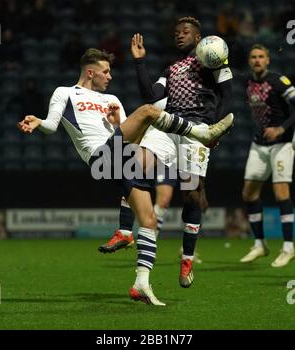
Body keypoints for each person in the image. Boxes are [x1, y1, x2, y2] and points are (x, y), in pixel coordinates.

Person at [18, 48, 233, 306]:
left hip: (120, 158)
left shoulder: (113, 99)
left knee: (149, 220)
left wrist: (118, 121)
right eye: (105, 71)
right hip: (102, 158)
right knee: (147, 111)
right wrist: (38, 122)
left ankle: (141, 283)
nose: (110, 76)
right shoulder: (65, 92)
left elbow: (131, 135)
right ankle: (203, 134)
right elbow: (52, 125)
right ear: (90, 72)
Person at [99, 17, 233, 287]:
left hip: (197, 131)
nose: (179, 35)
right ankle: (125, 231)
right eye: (176, 33)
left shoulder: (213, 58)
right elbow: (150, 96)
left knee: (192, 195)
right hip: (169, 126)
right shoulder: (171, 69)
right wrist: (140, 61)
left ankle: (187, 259)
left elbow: (227, 96)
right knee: (132, 165)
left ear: (198, 38)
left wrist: (216, 130)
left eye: (185, 32)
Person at [240, 44, 295, 267]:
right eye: (253, 57)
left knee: (281, 192)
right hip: (259, 143)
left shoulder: (278, 81)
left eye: (261, 57)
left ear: (268, 60)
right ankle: (260, 244)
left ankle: (288, 248)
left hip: (282, 143)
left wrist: (282, 129)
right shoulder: (249, 82)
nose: (257, 60)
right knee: (249, 193)